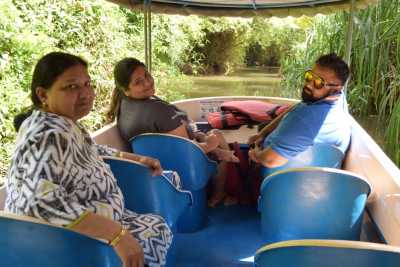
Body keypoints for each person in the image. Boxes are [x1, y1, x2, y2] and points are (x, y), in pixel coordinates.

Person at [6, 52, 172, 267]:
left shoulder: (61, 122)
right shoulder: (48, 136)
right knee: (155, 230)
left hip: (95, 220)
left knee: (157, 225)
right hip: (68, 240)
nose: (86, 94)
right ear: (43, 95)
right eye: (72, 87)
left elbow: (90, 148)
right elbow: (39, 202)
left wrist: (135, 157)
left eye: (87, 84)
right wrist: (117, 234)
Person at [106, 57, 238, 207]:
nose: (147, 83)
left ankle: (219, 157)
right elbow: (188, 149)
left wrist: (200, 137)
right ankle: (218, 195)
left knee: (208, 138)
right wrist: (211, 144)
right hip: (184, 167)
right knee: (217, 135)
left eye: (147, 76)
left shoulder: (122, 107)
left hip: (151, 170)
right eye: (138, 82)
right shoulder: (161, 111)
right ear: (126, 90)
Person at [248, 53, 351, 168]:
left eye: (318, 83)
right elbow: (298, 106)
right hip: (314, 170)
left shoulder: (305, 121)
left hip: (282, 175)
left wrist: (255, 153)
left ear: (337, 87)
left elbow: (270, 161)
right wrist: (262, 134)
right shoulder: (337, 98)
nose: (309, 85)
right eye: (309, 76)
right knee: (262, 126)